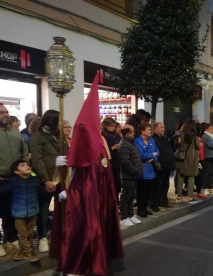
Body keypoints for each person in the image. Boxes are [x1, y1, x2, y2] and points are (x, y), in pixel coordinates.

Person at [49, 75, 123, 275]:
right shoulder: (84, 148)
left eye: (80, 128)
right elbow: (69, 174)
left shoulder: (96, 155)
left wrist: (69, 195)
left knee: (82, 234)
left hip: (85, 208)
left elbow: (87, 188)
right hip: (79, 203)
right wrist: (59, 167)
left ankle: (78, 265)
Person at [30, 110, 68, 253]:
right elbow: (37, 159)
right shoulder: (37, 136)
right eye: (59, 120)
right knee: (44, 209)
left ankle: (60, 234)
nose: (61, 123)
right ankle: (42, 237)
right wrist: (46, 180)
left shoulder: (59, 137)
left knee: (62, 208)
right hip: (47, 179)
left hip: (62, 179)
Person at [0, 103, 29, 257]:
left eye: (6, 112)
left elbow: (24, 153)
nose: (5, 115)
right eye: (1, 113)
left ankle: (10, 238)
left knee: (11, 211)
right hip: (1, 179)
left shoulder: (15, 133)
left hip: (15, 180)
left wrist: (24, 168)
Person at [4, 160, 42, 262]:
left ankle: (23, 251)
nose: (27, 166)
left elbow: (40, 191)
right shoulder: (12, 181)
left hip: (33, 211)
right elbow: (3, 189)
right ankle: (29, 252)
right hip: (19, 213)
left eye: (28, 164)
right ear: (17, 171)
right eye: (23, 165)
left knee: (30, 233)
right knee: (23, 234)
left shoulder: (35, 180)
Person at [118, 124, 143, 227]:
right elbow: (124, 161)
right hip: (128, 175)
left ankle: (130, 214)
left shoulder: (129, 143)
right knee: (126, 197)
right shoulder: (124, 144)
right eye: (132, 132)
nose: (134, 133)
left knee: (131, 196)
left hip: (133, 175)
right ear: (128, 134)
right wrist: (134, 171)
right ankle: (124, 217)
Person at [135, 122, 159, 217]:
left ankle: (145, 208)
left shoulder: (152, 140)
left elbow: (157, 151)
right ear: (142, 131)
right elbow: (141, 155)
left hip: (151, 169)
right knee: (142, 191)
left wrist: (153, 157)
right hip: (143, 170)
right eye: (148, 130)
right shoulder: (137, 141)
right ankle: (140, 210)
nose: (150, 131)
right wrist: (152, 155)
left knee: (149, 191)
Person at [175, 121, 200, 204]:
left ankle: (178, 196)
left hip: (182, 157)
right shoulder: (193, 136)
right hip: (191, 158)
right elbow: (198, 146)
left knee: (180, 176)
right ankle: (190, 196)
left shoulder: (180, 134)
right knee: (191, 177)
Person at [152, 122, 176, 209]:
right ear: (156, 128)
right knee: (158, 186)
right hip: (159, 167)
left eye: (164, 127)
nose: (164, 129)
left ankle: (164, 201)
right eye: (161, 127)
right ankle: (156, 203)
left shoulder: (164, 139)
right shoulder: (153, 139)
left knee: (165, 185)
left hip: (167, 167)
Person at [102, 118, 121, 204]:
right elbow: (103, 150)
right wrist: (113, 148)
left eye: (114, 126)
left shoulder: (116, 136)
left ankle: (116, 201)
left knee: (117, 183)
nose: (113, 128)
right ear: (106, 126)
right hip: (108, 162)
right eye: (111, 126)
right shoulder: (103, 136)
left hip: (117, 161)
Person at [201, 124, 213, 196]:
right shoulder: (205, 136)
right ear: (206, 129)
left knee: (211, 173)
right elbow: (211, 145)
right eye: (210, 128)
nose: (212, 129)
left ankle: (210, 187)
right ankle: (205, 188)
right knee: (206, 173)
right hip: (208, 156)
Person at [195, 122, 206, 199]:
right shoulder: (195, 137)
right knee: (198, 175)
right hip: (197, 158)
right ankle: (198, 191)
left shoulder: (199, 137)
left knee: (200, 174)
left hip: (201, 158)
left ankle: (199, 190)